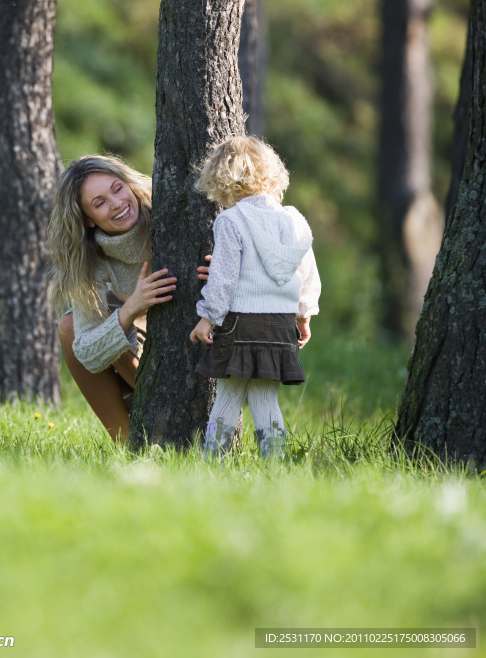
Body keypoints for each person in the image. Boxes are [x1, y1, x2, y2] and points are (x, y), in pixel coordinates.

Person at [189, 135, 321, 459]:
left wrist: (208, 317)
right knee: (265, 401)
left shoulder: (231, 220)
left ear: (222, 177)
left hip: (239, 324)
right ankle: (274, 470)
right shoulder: (296, 221)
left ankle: (213, 466)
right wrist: (303, 317)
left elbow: (223, 279)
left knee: (227, 399)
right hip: (280, 327)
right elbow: (308, 276)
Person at [47, 154, 178, 443]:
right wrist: (130, 309)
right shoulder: (90, 260)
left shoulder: (166, 205)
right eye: (100, 203)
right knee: (70, 327)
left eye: (117, 188)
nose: (117, 203)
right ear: (88, 220)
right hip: (143, 358)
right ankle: (127, 444)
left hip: (198, 342)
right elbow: (87, 354)